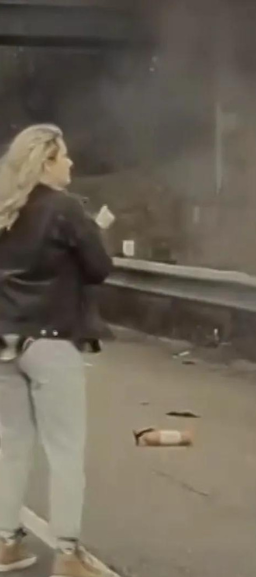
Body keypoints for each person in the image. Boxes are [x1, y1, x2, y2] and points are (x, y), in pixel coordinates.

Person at [0, 124, 112, 577]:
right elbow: (99, 269)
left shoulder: (6, 208)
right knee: (65, 449)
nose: (71, 164)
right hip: (51, 339)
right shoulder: (65, 208)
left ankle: (5, 543)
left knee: (11, 448)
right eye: (65, 157)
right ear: (47, 160)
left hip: (4, 340)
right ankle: (67, 553)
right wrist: (94, 233)